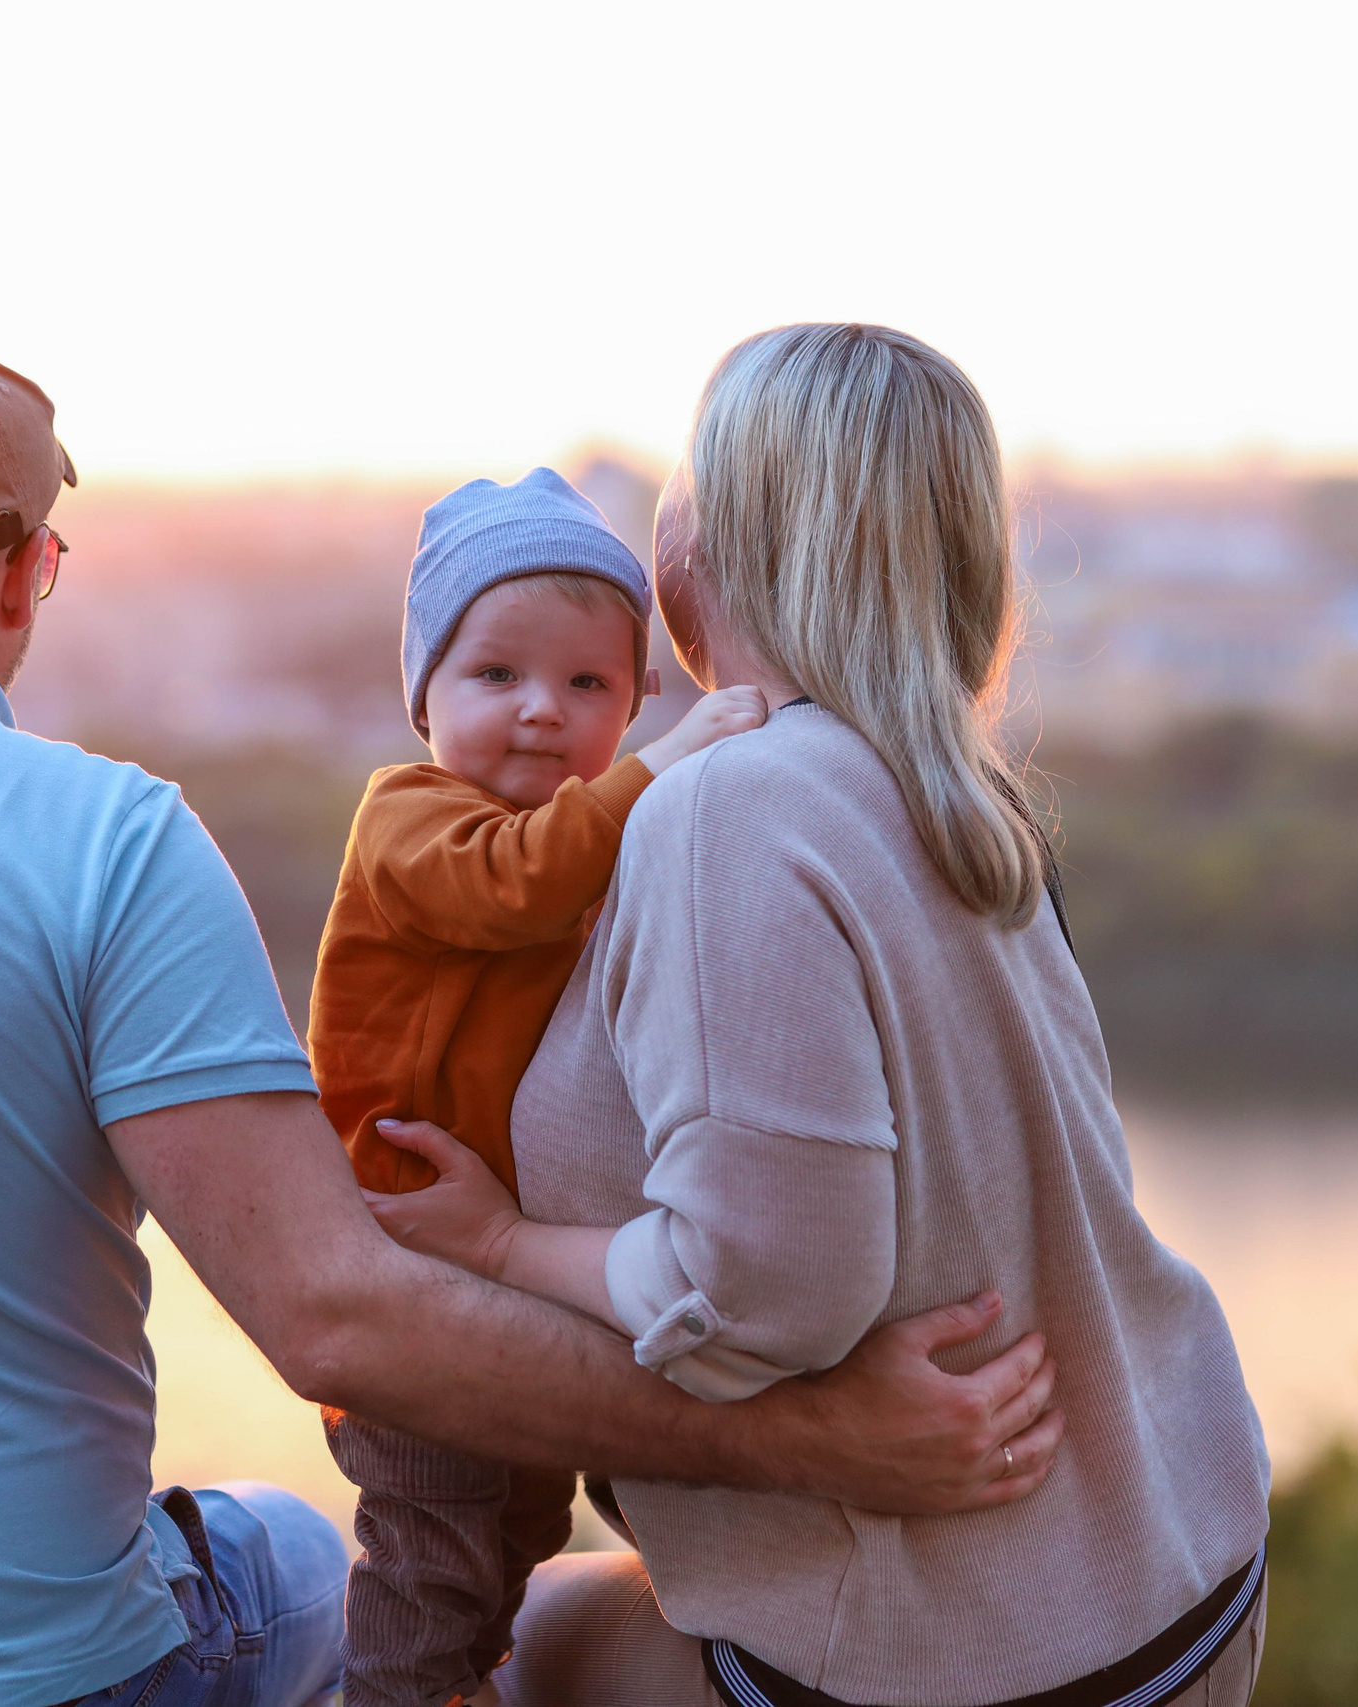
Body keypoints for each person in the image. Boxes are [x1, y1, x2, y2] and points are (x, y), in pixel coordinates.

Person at [0, 323, 1070, 1707]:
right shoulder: (95, 840)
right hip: (7, 1671)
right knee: (307, 1571)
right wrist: (819, 1436)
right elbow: (335, 1318)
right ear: (29, 576)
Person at [370, 324, 1273, 1707]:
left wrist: (503, 1240)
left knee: (457, 1641)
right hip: (1177, 1585)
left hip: (961, 1659)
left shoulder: (730, 807)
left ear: (716, 542)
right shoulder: (959, 792)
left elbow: (761, 1293)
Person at [311, 468, 768, 1707]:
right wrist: (658, 773)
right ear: (424, 697)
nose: (539, 714)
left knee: (520, 1530)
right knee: (431, 1553)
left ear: (630, 694)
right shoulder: (411, 822)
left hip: (518, 1278)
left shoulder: (597, 838)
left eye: (587, 686)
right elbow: (510, 884)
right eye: (495, 676)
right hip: (416, 1280)